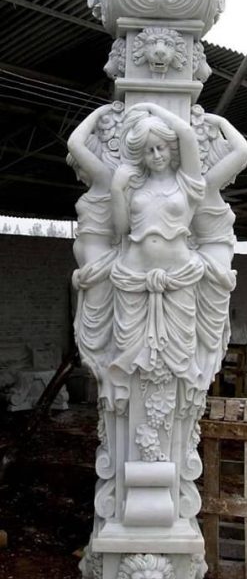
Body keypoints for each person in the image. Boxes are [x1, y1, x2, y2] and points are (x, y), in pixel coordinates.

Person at [109, 103, 205, 421]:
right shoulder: (135, 186)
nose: (156, 155)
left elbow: (186, 132)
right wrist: (117, 188)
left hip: (178, 278)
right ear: (141, 154)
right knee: (127, 349)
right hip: (133, 277)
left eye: (161, 147)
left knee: (182, 348)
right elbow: (121, 230)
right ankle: (126, 409)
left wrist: (151, 108)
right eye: (149, 150)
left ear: (170, 148)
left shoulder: (186, 181)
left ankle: (177, 415)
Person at [190, 109, 247, 385]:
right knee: (194, 326)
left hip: (214, 262)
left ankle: (197, 377)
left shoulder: (206, 183)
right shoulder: (186, 188)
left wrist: (221, 122)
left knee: (208, 327)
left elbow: (242, 151)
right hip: (197, 261)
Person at [67, 104, 120, 414]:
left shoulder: (103, 177)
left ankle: (111, 380)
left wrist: (98, 114)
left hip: (98, 267)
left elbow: (74, 142)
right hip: (90, 268)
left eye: (79, 168)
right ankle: (107, 382)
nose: (79, 175)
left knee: (96, 330)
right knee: (90, 327)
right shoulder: (99, 182)